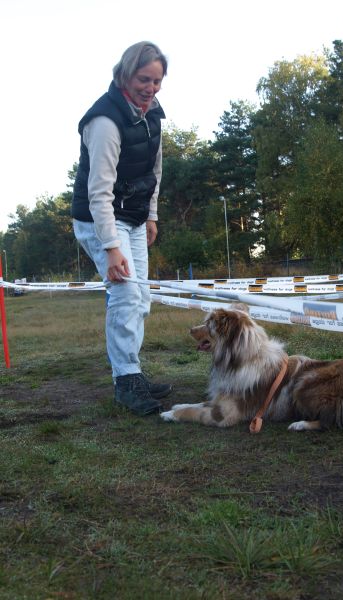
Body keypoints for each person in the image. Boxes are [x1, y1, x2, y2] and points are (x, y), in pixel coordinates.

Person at [71, 41, 172, 416]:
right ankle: (125, 382)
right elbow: (98, 192)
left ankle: (132, 372)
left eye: (157, 81)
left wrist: (152, 215)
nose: (151, 88)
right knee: (126, 294)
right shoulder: (104, 121)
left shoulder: (152, 114)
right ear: (124, 75)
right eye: (144, 79)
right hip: (99, 218)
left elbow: (154, 170)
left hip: (134, 216)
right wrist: (111, 247)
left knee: (140, 298)